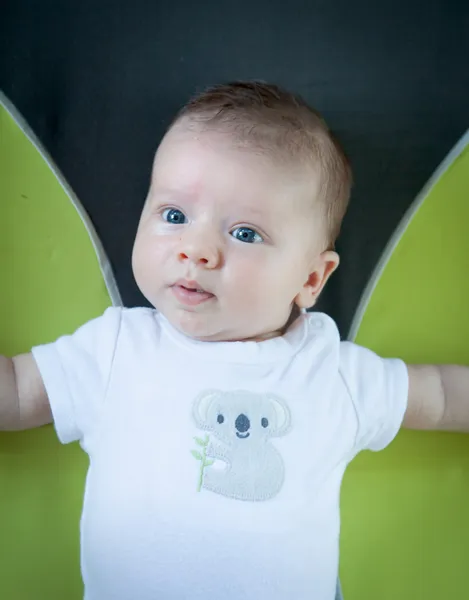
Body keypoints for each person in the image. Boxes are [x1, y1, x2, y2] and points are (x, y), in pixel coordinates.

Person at [0, 81, 468, 600]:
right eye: (174, 216)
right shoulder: (115, 349)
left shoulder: (332, 373)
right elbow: (16, 391)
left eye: (245, 233)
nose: (196, 249)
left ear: (311, 279)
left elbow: (444, 397)